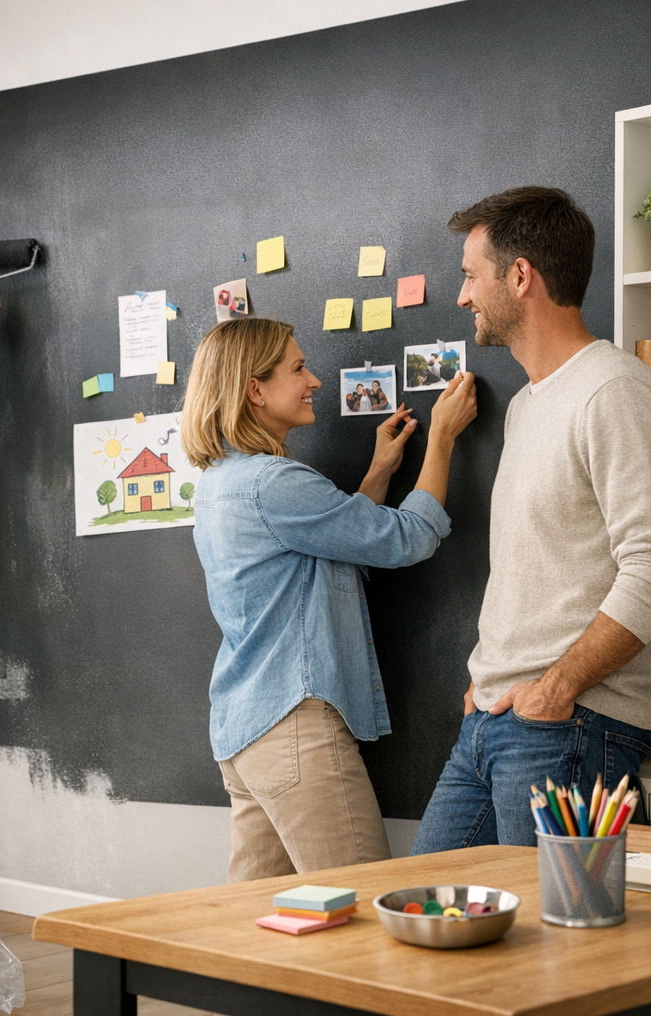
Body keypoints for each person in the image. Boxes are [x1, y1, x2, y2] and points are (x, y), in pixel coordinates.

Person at [411, 187, 651, 854]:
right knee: (424, 924)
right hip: (494, 720)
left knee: (550, 952)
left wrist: (559, 686)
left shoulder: (615, 391)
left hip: (572, 723)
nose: (464, 296)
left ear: (520, 275)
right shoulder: (531, 405)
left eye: (471, 275)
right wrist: (488, 681)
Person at [182, 318, 477, 881]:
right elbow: (407, 538)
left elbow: (332, 545)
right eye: (297, 368)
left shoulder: (222, 482)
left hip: (246, 732)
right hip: (294, 731)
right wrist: (442, 438)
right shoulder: (275, 483)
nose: (314, 379)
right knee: (362, 902)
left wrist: (379, 471)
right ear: (255, 390)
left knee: (262, 920)